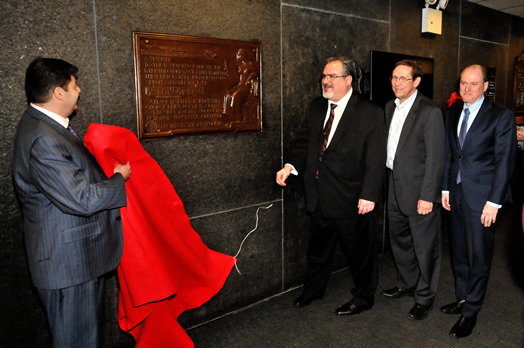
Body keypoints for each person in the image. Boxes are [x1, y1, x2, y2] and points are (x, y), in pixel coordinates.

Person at [12, 57, 131, 347]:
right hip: (69, 267)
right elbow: (82, 198)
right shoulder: (44, 139)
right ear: (58, 92)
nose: (80, 92)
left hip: (75, 260)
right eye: (75, 85)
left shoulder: (43, 125)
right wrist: (119, 179)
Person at [276, 56, 386, 315]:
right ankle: (314, 289)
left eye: (332, 77)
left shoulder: (369, 112)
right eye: (324, 76)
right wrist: (290, 166)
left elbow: (376, 157)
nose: (325, 81)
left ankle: (363, 296)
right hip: (319, 194)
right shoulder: (317, 106)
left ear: (348, 81)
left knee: (359, 252)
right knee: (318, 248)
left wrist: (369, 194)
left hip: (352, 197)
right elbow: (305, 143)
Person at [441, 64, 516, 338]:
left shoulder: (501, 116)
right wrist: (446, 189)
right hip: (457, 193)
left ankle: (470, 312)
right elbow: (451, 154)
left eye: (473, 84)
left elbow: (505, 162)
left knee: (479, 255)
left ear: (485, 86)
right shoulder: (453, 112)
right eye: (463, 83)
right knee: (459, 252)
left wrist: (494, 202)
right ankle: (463, 298)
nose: (467, 89)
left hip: (483, 198)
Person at [380, 60, 446, 321]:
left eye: (403, 78)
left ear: (416, 82)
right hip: (394, 186)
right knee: (400, 242)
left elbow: (436, 159)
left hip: (420, 192)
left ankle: (425, 297)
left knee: (425, 246)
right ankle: (406, 284)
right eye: (394, 77)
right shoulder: (389, 107)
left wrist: (428, 196)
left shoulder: (430, 112)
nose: (397, 83)